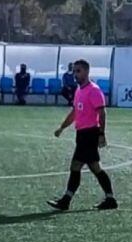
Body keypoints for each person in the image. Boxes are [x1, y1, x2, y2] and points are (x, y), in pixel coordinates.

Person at [47, 59, 118, 211]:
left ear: (86, 72)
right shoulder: (79, 90)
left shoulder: (94, 90)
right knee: (95, 168)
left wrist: (101, 134)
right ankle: (110, 198)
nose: (75, 74)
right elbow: (74, 113)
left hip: (90, 134)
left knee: (76, 166)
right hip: (82, 134)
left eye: (78, 71)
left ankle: (66, 200)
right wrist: (62, 127)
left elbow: (102, 113)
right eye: (74, 71)